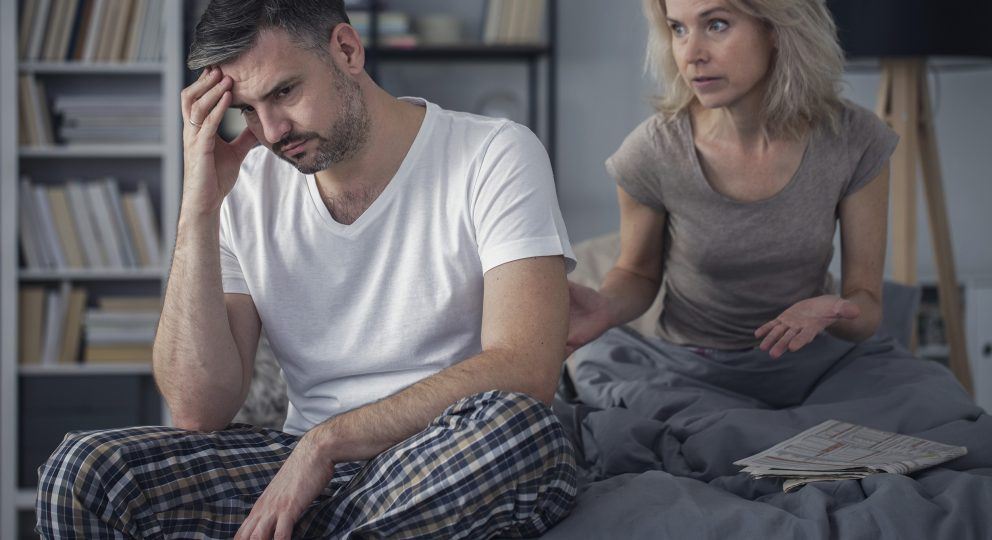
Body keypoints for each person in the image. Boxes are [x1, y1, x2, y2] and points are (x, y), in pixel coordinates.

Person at [36, 1, 577, 538]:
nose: (270, 131)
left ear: (346, 49)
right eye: (246, 109)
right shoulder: (243, 189)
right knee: (85, 471)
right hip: (296, 465)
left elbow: (524, 371)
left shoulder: (494, 154)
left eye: (283, 92)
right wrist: (199, 205)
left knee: (522, 434)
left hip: (444, 454)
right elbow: (198, 410)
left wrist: (327, 443)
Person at [567, 0, 898, 360]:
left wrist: (832, 311)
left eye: (717, 25)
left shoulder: (856, 140)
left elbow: (865, 308)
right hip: (690, 368)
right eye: (678, 29)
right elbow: (637, 273)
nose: (691, 54)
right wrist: (605, 306)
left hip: (814, 364)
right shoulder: (651, 150)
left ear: (775, 29)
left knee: (936, 409)